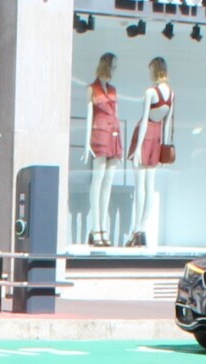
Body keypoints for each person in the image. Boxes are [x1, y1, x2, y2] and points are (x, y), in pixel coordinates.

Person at [127, 58, 174, 248]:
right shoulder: (171, 94)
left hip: (145, 136)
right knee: (150, 187)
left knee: (140, 187)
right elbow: (167, 123)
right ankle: (142, 228)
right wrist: (164, 145)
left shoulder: (150, 92)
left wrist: (138, 147)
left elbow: (145, 119)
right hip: (156, 139)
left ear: (154, 70)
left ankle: (137, 230)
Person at [83, 53, 122, 246]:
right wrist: (86, 142)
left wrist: (119, 140)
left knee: (107, 183)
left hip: (113, 135)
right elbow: (89, 115)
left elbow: (116, 115)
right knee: (97, 182)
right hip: (99, 135)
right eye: (113, 66)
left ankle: (102, 228)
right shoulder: (92, 89)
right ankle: (95, 228)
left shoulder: (113, 91)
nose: (114, 71)